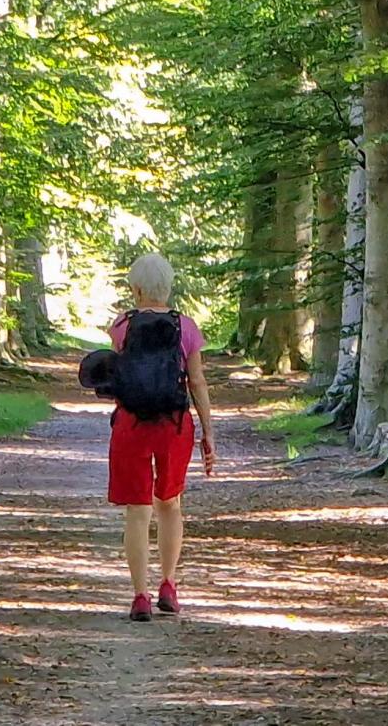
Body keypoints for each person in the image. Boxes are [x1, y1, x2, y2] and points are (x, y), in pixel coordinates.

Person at [107, 253, 215, 621]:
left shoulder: (122, 325)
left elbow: (117, 375)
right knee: (170, 504)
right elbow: (196, 382)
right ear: (168, 287)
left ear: (136, 289)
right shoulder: (186, 327)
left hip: (131, 425)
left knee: (136, 512)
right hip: (173, 425)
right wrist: (208, 431)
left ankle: (140, 595)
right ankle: (168, 584)